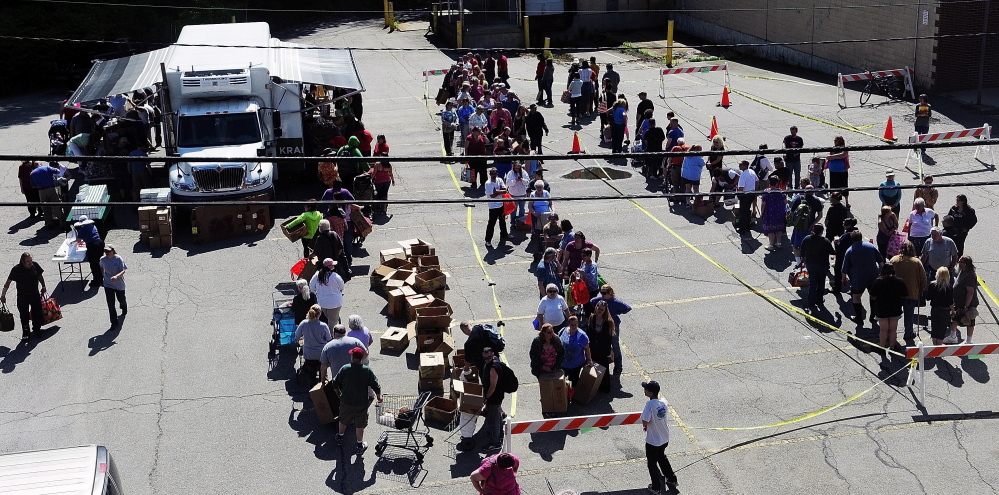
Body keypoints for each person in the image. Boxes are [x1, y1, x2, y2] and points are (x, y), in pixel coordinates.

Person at [331, 347, 382, 453]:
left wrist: (338, 393)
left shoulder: (345, 368)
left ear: (352, 357)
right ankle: (359, 445)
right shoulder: (366, 370)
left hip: (346, 401)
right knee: (360, 423)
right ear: (362, 358)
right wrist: (378, 396)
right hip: (361, 403)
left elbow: (334, 382)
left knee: (343, 419)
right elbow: (375, 384)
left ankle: (340, 437)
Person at [641, 380, 678, 494]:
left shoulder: (650, 404)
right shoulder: (663, 402)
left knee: (652, 463)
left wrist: (645, 425)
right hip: (664, 438)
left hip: (653, 441)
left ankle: (656, 487)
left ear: (650, 393)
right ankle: (672, 479)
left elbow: (645, 420)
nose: (644, 390)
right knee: (662, 458)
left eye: (646, 389)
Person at [842, 231, 885, 326]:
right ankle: (873, 316)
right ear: (861, 237)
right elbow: (881, 262)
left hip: (858, 278)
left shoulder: (850, 250)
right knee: (873, 296)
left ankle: (859, 318)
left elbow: (844, 268)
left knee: (856, 297)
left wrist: (843, 279)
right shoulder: (871, 246)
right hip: (873, 276)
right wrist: (881, 274)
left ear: (852, 239)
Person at [1, 252, 47, 340]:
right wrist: (3, 295)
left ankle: (37, 330)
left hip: (34, 294)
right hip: (23, 296)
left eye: (31, 260)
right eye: (28, 261)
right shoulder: (16, 269)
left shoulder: (35, 265)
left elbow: (40, 276)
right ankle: (26, 332)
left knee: (37, 313)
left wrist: (43, 286)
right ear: (22, 261)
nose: (30, 263)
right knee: (24, 315)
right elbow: (7, 283)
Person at [589, 284, 631, 374]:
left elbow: (627, 308)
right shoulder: (600, 301)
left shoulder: (615, 301)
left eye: (604, 293)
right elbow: (592, 301)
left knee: (615, 346)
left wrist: (616, 313)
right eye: (601, 292)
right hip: (603, 327)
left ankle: (618, 366)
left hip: (613, 326)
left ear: (610, 293)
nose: (602, 294)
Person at [890, 241, 927, 343]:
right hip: (911, 293)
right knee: (909, 315)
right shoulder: (916, 262)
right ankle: (908, 334)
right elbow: (923, 278)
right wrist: (920, 289)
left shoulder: (894, 260)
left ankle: (893, 333)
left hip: (895, 294)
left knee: (894, 316)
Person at [869, 263, 909, 357]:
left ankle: (882, 348)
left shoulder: (878, 281)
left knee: (883, 330)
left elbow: (872, 296)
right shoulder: (899, 281)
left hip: (882, 309)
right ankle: (892, 347)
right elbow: (905, 294)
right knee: (893, 329)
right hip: (895, 308)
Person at [798, 224, 835, 309]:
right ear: (822, 232)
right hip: (823, 265)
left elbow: (802, 250)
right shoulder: (825, 241)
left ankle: (811, 301)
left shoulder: (807, 239)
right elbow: (832, 252)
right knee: (821, 283)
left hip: (811, 265)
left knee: (812, 283)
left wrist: (802, 260)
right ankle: (819, 300)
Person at [945, 256, 980, 344]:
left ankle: (969, 340)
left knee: (970, 320)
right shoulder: (962, 271)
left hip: (968, 304)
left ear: (965, 264)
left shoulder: (970, 275)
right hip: (959, 302)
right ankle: (953, 336)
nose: (958, 263)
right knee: (955, 319)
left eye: (960, 261)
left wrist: (966, 306)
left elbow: (970, 292)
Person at [479, 346, 507, 451]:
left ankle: (495, 443)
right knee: (497, 416)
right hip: (497, 395)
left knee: (493, 419)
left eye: (489, 357)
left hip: (494, 396)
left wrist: (486, 397)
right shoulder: (493, 362)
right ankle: (499, 433)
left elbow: (493, 386)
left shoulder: (493, 368)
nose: (487, 359)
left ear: (493, 354)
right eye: (485, 358)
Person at [788, 183, 824, 264]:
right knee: (808, 245)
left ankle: (798, 261)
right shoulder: (816, 200)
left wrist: (795, 221)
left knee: (795, 244)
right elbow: (820, 215)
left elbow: (792, 212)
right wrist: (813, 224)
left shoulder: (799, 199)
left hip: (799, 226)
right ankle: (807, 261)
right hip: (809, 226)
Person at [295, 304, 332, 382]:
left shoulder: (304, 323)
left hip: (309, 354)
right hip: (321, 354)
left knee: (312, 374)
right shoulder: (323, 326)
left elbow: (297, 335)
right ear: (320, 314)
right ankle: (322, 387)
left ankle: (312, 389)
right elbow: (329, 339)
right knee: (322, 373)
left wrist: (302, 339)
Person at [586, 300, 615, 393]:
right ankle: (594, 386)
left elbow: (609, 338)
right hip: (593, 347)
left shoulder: (608, 322)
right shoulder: (592, 317)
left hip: (603, 349)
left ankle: (604, 388)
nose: (600, 311)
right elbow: (589, 331)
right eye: (599, 308)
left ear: (605, 311)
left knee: (604, 368)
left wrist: (607, 352)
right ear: (596, 307)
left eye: (602, 310)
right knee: (593, 367)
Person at [98, 244, 127, 327]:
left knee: (121, 300)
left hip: (119, 284)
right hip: (108, 285)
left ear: (113, 251)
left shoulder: (118, 259)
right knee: (111, 305)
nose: (107, 252)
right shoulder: (102, 259)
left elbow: (123, 270)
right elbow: (101, 266)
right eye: (105, 251)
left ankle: (124, 307)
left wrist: (116, 276)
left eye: (108, 251)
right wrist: (103, 275)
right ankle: (114, 323)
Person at [309, 258, 345, 325]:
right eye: (332, 265)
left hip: (322, 302)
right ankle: (332, 334)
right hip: (335, 303)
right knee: (333, 320)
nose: (334, 266)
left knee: (326, 318)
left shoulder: (317, 275)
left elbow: (311, 287)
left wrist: (317, 293)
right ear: (329, 266)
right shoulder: (335, 276)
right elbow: (342, 287)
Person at [559, 315, 592, 387]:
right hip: (563, 364)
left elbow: (587, 349)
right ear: (568, 324)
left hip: (575, 366)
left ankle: (572, 397)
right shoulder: (563, 331)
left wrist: (589, 360)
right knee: (562, 384)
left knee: (573, 384)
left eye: (575, 324)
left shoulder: (582, 336)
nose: (574, 326)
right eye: (572, 325)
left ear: (578, 323)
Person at [29, 161, 65, 228]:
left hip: (41, 192)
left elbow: (33, 186)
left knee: (46, 208)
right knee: (57, 205)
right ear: (41, 164)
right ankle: (62, 223)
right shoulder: (46, 168)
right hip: (51, 189)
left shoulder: (32, 173)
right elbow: (57, 171)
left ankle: (49, 223)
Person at [924, 267, 954, 345]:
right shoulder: (949, 288)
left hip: (935, 309)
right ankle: (938, 348)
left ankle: (934, 347)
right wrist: (953, 311)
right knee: (942, 330)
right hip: (945, 311)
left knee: (934, 329)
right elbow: (951, 302)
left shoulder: (932, 285)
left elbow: (928, 298)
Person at [73, 215, 105, 288]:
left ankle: (96, 281)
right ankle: (101, 278)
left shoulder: (82, 229)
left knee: (93, 264)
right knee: (99, 262)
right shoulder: (93, 226)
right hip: (100, 243)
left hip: (92, 246)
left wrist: (72, 242)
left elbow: (79, 240)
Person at [760, 176, 787, 250]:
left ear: (769, 182)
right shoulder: (781, 191)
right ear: (777, 183)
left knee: (770, 229)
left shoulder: (766, 191)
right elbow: (785, 202)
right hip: (780, 212)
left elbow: (763, 204)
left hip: (770, 212)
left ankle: (771, 245)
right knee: (779, 227)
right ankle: (779, 243)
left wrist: (762, 213)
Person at [484, 168, 508, 245]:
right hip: (493, 207)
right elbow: (492, 195)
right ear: (490, 174)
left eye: (495, 173)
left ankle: (504, 234)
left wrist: (497, 191)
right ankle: (488, 240)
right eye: (492, 174)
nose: (494, 175)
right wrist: (500, 192)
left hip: (501, 205)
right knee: (491, 224)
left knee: (502, 221)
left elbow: (505, 191)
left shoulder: (499, 180)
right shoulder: (488, 183)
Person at [371, 135, 394, 215]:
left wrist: (371, 179)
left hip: (379, 181)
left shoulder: (377, 164)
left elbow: (374, 173)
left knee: (379, 193)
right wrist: (393, 181)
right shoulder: (389, 165)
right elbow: (391, 173)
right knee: (385, 194)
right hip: (387, 181)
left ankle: (381, 206)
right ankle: (384, 209)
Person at [825, 136, 850, 206]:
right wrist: (835, 156)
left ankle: (847, 202)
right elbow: (828, 156)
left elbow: (843, 155)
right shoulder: (833, 148)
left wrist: (833, 157)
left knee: (844, 186)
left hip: (842, 171)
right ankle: (833, 200)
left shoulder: (844, 148)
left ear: (840, 141)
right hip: (833, 171)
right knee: (833, 186)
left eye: (836, 141)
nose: (834, 142)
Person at [735, 160, 758, 235]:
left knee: (743, 211)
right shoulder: (752, 171)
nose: (739, 166)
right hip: (751, 194)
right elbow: (757, 181)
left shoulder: (743, 175)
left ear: (745, 166)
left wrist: (738, 195)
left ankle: (742, 228)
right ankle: (747, 226)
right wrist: (755, 190)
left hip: (745, 195)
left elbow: (741, 187)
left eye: (741, 165)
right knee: (747, 210)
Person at [505, 162, 529, 228]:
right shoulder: (510, 173)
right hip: (513, 194)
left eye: (519, 168)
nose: (517, 169)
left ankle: (520, 222)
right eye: (516, 168)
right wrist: (515, 180)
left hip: (522, 194)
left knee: (522, 210)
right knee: (513, 210)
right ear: (514, 167)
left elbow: (527, 182)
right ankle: (512, 222)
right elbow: (508, 183)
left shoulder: (524, 172)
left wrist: (522, 180)